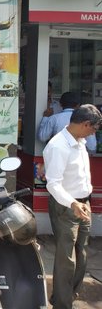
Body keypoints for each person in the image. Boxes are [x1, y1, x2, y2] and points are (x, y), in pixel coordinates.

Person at [43, 104, 100, 309]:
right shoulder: (58, 146)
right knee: (67, 259)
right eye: (94, 128)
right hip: (66, 206)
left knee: (81, 255)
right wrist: (73, 203)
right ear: (85, 124)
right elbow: (53, 183)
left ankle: (68, 296)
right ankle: (62, 304)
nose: (95, 132)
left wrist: (82, 202)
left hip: (83, 203)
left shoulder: (80, 141)